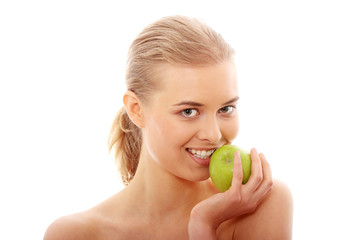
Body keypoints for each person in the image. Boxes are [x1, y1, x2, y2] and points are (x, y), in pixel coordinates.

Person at [44, 15, 293, 239]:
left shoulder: (261, 202)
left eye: (226, 109)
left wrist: (203, 226)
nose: (214, 134)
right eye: (189, 111)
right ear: (136, 109)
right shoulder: (74, 234)